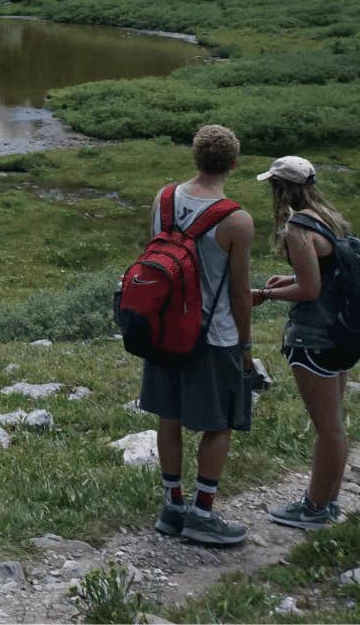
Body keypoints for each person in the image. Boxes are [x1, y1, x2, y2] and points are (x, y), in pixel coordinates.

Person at [141, 124, 259, 547]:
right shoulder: (237, 221)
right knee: (220, 421)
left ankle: (172, 506)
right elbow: (240, 293)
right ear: (233, 163)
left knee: (168, 416)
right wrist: (246, 347)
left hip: (164, 329)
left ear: (195, 158)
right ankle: (203, 513)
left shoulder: (164, 198)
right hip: (214, 336)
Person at [250, 154, 357, 530]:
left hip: (315, 337)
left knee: (327, 426)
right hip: (342, 330)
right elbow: (324, 276)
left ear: (281, 189)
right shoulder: (327, 218)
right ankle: (328, 501)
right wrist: (287, 277)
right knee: (334, 424)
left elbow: (310, 290)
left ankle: (313, 508)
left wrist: (264, 293)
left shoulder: (297, 227)